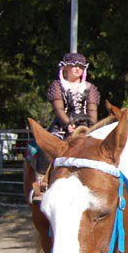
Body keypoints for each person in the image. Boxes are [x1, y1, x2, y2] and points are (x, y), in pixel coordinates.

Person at [27, 52, 100, 202]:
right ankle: (41, 184)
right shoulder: (57, 86)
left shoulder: (90, 88)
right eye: (74, 66)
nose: (78, 69)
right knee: (46, 148)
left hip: (86, 127)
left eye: (81, 66)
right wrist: (68, 124)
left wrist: (92, 127)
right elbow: (59, 109)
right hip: (62, 126)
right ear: (65, 68)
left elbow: (92, 111)